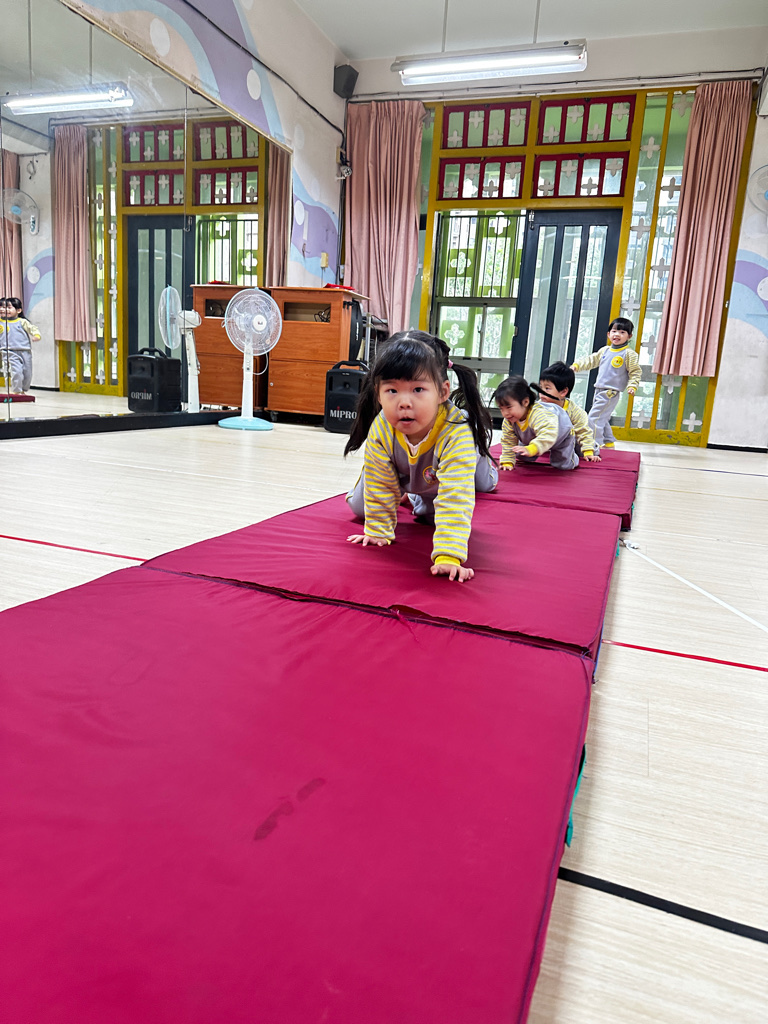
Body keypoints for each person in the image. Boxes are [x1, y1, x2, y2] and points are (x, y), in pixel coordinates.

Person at [345, 330, 497, 583]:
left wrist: (449, 555)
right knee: (360, 508)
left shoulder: (456, 431)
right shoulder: (382, 426)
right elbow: (379, 483)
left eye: (418, 389)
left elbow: (455, 497)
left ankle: (480, 459)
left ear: (443, 392)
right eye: (392, 390)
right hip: (416, 469)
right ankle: (413, 489)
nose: (404, 402)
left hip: (454, 461)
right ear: (378, 393)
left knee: (481, 485)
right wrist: (379, 530)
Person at [571, 317, 641, 450]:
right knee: (602, 416)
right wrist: (577, 366)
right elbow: (591, 360)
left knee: (594, 418)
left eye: (622, 332)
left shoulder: (629, 354)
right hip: (598, 389)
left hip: (610, 392)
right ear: (608, 334)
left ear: (629, 336)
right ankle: (608, 441)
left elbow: (635, 372)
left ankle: (594, 444)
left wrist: (633, 385)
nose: (617, 335)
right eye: (614, 331)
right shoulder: (605, 350)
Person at [494, 375, 578, 471]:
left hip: (561, 433)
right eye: (501, 408)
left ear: (525, 402)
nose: (505, 413)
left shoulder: (539, 415)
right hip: (534, 436)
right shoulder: (510, 419)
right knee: (521, 453)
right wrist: (507, 461)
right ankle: (535, 446)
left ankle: (575, 454)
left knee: (563, 465)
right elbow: (508, 441)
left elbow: (548, 434)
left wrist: (532, 448)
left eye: (509, 407)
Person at [537, 361, 600, 462]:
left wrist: (588, 451)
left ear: (563, 392)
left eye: (547, 388)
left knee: (585, 446)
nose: (541, 392)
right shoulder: (537, 407)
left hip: (570, 442)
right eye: (541, 387)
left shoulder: (575, 412)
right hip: (548, 439)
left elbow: (583, 432)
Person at [0, 297, 41, 394]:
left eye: (8, 307)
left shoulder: (22, 322)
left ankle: (23, 389)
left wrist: (36, 335)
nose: (4, 310)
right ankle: (16, 391)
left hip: (25, 351)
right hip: (9, 351)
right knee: (16, 371)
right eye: (2, 307)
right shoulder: (1, 323)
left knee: (27, 373)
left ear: (18, 310)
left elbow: (33, 328)